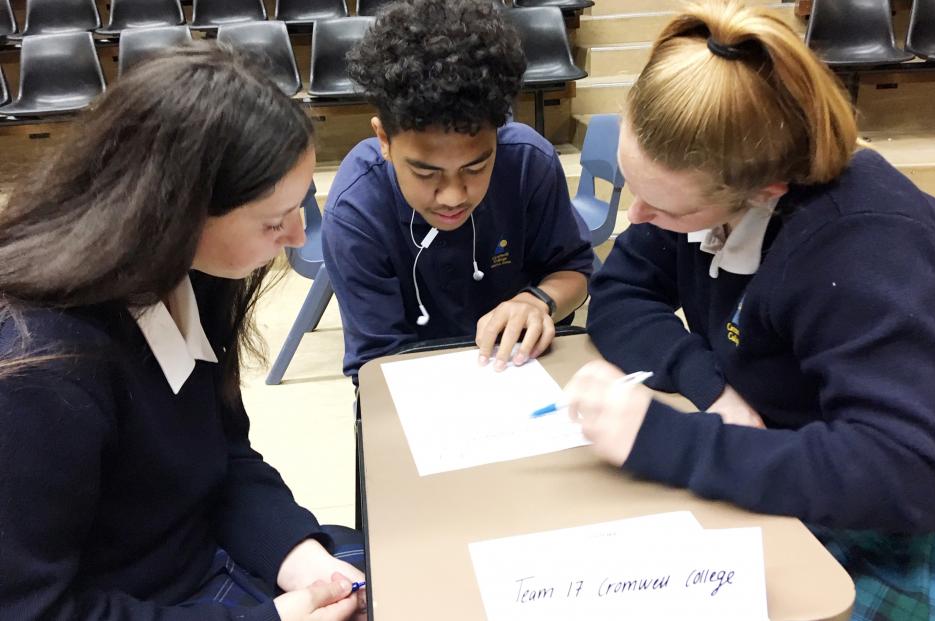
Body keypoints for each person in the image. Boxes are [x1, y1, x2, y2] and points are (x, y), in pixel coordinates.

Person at [563, 1, 935, 619]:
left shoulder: (862, 245)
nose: (637, 218)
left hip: (899, 508)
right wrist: (710, 388)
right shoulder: (704, 180)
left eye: (665, 208)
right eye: (636, 190)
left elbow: (908, 472)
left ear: (764, 192)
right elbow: (620, 290)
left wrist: (668, 441)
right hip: (806, 460)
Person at [0, 45, 366, 621]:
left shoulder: (191, 277)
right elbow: (32, 609)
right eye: (275, 221)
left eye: (302, 208)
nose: (299, 237)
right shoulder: (39, 371)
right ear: (176, 214)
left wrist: (299, 559)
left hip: (208, 566)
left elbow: (221, 458)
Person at [321, 0, 594, 381]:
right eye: (425, 171)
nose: (452, 196)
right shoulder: (358, 207)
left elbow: (576, 269)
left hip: (522, 373)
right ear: (384, 139)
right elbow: (376, 366)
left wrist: (537, 301)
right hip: (416, 382)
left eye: (476, 166)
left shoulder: (528, 164)